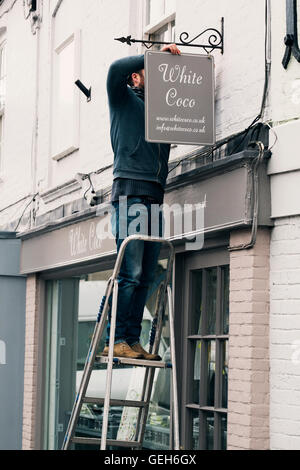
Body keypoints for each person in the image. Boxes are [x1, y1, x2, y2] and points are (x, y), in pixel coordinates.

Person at [102, 44, 181, 360]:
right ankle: (118, 337)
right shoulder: (123, 101)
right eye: (153, 71)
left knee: (146, 274)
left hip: (154, 198)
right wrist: (156, 55)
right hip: (131, 193)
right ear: (136, 77)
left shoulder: (160, 111)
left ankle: (131, 340)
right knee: (131, 272)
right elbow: (114, 70)